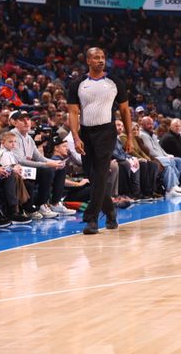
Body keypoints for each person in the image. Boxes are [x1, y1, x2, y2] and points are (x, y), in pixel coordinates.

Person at [67, 47, 133, 235]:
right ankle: (110, 211)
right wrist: (76, 136)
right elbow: (73, 112)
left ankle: (92, 218)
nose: (101, 60)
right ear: (88, 61)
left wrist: (129, 136)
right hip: (86, 132)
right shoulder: (77, 84)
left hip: (107, 131)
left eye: (103, 57)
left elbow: (125, 111)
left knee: (102, 173)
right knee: (93, 176)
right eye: (96, 58)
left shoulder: (114, 82)